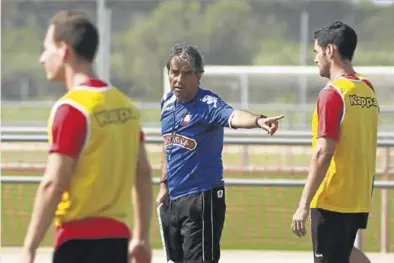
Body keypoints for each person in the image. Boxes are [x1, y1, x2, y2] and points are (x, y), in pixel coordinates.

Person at [22, 11, 152, 263]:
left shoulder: (72, 108)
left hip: (77, 244)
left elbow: (54, 182)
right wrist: (142, 237)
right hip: (117, 242)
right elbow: (144, 173)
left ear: (63, 50)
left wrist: (30, 246)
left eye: (45, 48)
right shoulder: (124, 105)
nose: (41, 59)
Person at [157, 43, 284, 263]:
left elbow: (233, 116)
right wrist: (163, 184)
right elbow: (167, 145)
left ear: (198, 76)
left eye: (187, 74)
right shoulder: (167, 103)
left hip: (201, 198)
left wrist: (258, 120)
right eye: (174, 72)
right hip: (173, 200)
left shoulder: (208, 104)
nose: (179, 79)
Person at [291, 21, 379, 263]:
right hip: (358, 197)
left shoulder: (332, 94)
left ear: (330, 50)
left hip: (332, 198)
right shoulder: (367, 89)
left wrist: (303, 204)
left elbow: (323, 152)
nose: (315, 59)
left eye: (316, 52)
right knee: (344, 253)